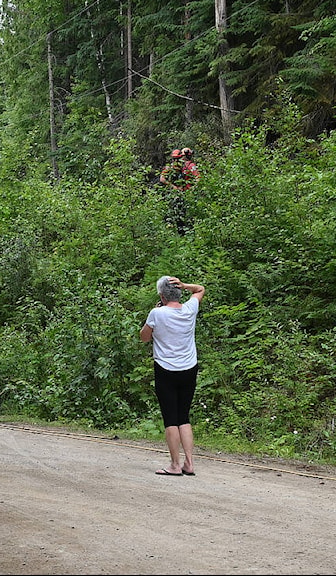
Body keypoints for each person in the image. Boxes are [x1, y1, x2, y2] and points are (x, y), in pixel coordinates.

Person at [139, 275, 205, 476]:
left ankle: (175, 465)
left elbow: (144, 337)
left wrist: (156, 311)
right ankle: (189, 463)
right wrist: (186, 285)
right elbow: (200, 289)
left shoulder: (156, 314)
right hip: (189, 368)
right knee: (184, 417)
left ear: (161, 295)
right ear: (178, 292)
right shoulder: (189, 309)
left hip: (165, 369)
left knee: (171, 418)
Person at [159, 147, 200, 235]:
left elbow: (162, 179)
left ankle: (182, 233)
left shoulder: (179, 166)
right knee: (183, 215)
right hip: (181, 194)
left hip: (179, 194)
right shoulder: (185, 166)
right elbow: (198, 179)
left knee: (180, 215)